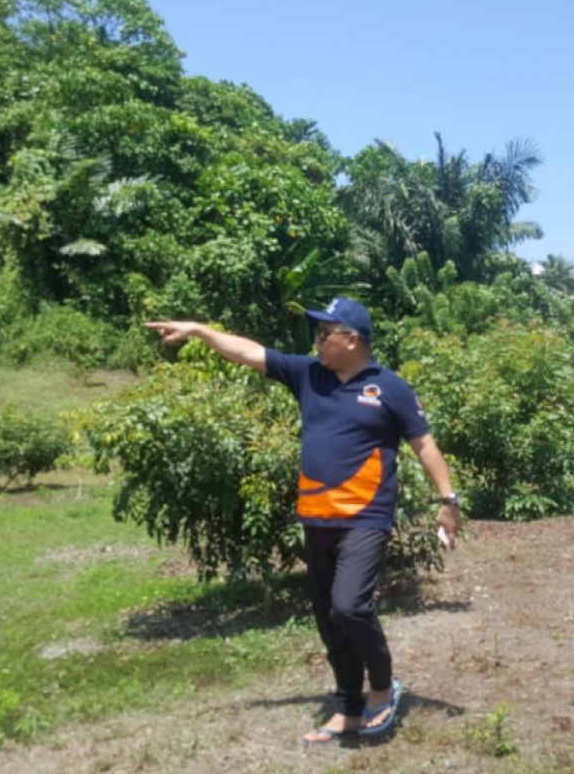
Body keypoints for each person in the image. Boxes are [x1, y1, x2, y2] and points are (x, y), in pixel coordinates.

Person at [146, 297, 462, 744]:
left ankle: (382, 687)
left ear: (352, 340)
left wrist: (448, 499)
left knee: (350, 606)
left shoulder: (389, 388)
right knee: (329, 620)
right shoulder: (308, 375)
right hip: (317, 520)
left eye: (324, 334)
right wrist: (200, 330)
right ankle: (350, 707)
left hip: (365, 517)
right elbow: (247, 351)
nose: (316, 341)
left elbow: (424, 445)